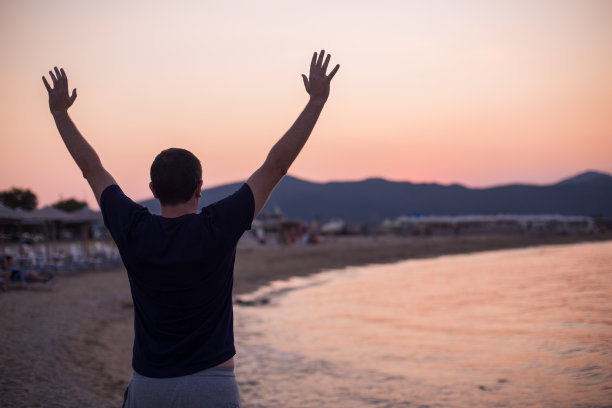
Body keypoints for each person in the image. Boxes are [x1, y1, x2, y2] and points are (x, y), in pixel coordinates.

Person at [43, 50, 339, 407]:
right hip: (212, 386)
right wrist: (316, 102)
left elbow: (92, 168)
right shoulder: (218, 226)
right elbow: (276, 165)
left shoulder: (134, 228)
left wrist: (60, 114)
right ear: (200, 187)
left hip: (150, 385)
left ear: (152, 192)